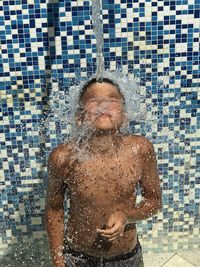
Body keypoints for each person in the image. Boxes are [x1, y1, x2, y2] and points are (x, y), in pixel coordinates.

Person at [44, 77, 162, 267]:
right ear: (80, 117)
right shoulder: (63, 157)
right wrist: (58, 260)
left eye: (112, 100)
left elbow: (154, 201)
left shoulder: (140, 150)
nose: (103, 105)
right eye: (94, 100)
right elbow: (54, 209)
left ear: (124, 115)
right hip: (77, 257)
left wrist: (127, 216)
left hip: (126, 257)